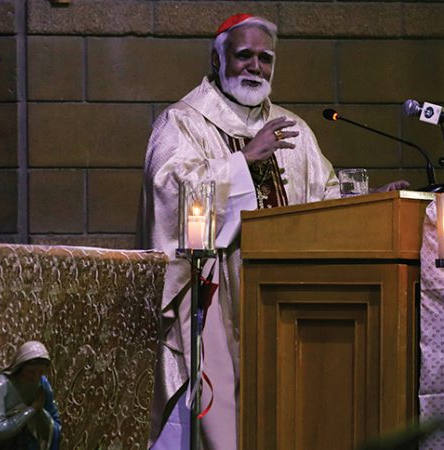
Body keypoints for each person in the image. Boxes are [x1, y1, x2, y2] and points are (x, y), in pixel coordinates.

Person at [138, 14, 406, 450]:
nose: (255, 67)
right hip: (215, 298)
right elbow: (169, 189)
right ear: (216, 57)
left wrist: (366, 202)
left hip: (286, 304)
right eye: (244, 55)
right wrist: (243, 161)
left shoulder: (293, 130)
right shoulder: (182, 122)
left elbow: (322, 200)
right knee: (221, 425)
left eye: (265, 58)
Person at [0, 341, 61, 450]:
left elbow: (55, 425)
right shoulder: (1, 385)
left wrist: (40, 411)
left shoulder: (42, 384)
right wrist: (31, 409)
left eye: (40, 372)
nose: (35, 377)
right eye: (31, 372)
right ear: (20, 366)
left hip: (27, 440)